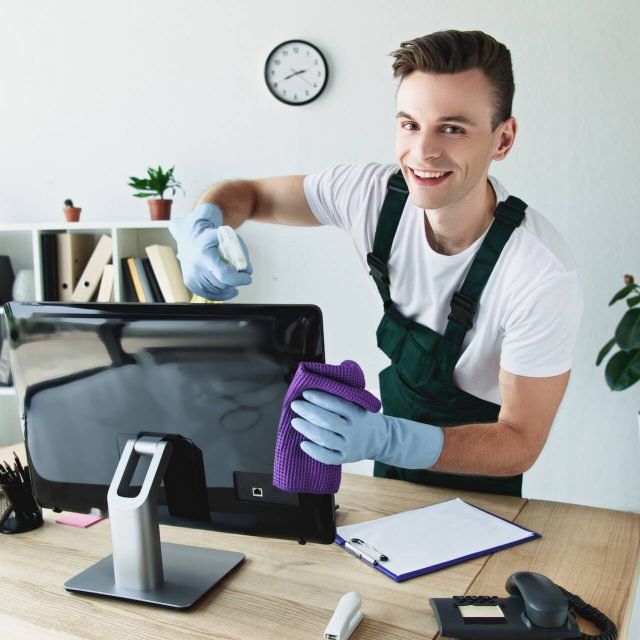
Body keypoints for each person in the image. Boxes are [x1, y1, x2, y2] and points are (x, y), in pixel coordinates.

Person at [170, 30, 583, 497]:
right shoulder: (371, 196)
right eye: (410, 124)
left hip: (484, 496)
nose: (423, 152)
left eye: (452, 128)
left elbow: (520, 443)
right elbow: (246, 194)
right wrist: (204, 224)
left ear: (502, 139)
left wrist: (385, 437)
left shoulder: (540, 274)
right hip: (390, 481)